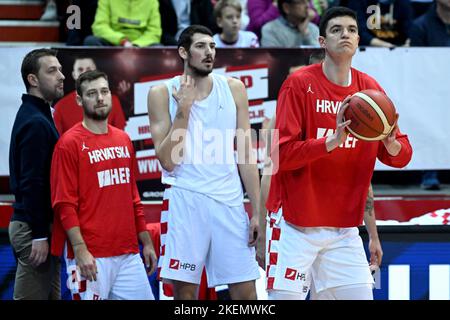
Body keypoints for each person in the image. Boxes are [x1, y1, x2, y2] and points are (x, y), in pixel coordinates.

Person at [267, 6, 412, 300]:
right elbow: (280, 154)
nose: (344, 34)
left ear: (359, 40)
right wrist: (330, 142)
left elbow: (401, 155)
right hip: (295, 225)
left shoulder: (370, 91)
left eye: (351, 30)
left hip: (344, 229)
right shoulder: (299, 85)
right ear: (322, 42)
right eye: (336, 30)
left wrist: (389, 142)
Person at [148, 25, 261, 300]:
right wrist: (183, 110)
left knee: (246, 292)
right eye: (201, 46)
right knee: (186, 293)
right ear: (183, 52)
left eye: (212, 46)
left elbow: (246, 154)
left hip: (229, 201)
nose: (209, 52)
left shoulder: (234, 89)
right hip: (185, 200)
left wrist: (257, 211)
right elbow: (167, 161)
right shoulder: (161, 92)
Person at [50, 70, 157, 300]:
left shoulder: (123, 139)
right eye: (91, 93)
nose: (100, 98)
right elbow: (64, 204)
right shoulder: (68, 144)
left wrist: (145, 241)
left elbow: (133, 197)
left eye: (104, 91)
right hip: (90, 255)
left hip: (128, 253)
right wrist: (79, 249)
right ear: (79, 100)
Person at [8, 48, 65, 300]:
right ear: (33, 80)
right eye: (52, 71)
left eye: (60, 69)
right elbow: (32, 183)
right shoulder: (35, 122)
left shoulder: (40, 115)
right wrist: (40, 234)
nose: (61, 76)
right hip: (33, 230)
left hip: (37, 228)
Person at [53, 56, 126, 135]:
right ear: (74, 74)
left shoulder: (112, 101)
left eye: (89, 69)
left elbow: (121, 134)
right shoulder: (60, 107)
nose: (85, 73)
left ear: (96, 71)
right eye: (80, 69)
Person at [84, 0, 162, 47]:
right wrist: (122, 41)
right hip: (113, 42)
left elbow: (154, 32)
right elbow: (99, 26)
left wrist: (136, 45)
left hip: (141, 45)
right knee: (91, 41)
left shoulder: (152, 1)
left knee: (158, 48)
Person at [346, 0, 414, 47]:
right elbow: (358, 31)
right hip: (366, 49)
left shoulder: (403, 3)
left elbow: (409, 30)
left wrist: (408, 43)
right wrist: (386, 46)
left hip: (397, 49)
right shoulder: (359, 1)